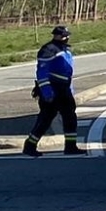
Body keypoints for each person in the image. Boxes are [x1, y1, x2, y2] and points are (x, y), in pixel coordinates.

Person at [23, 25, 80, 156]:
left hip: (64, 89)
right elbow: (42, 72)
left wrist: (70, 90)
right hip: (53, 89)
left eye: (67, 35)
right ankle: (30, 145)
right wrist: (47, 92)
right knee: (45, 119)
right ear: (57, 36)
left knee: (70, 117)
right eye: (64, 35)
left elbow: (67, 73)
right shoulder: (48, 50)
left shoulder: (65, 50)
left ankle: (71, 146)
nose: (67, 37)